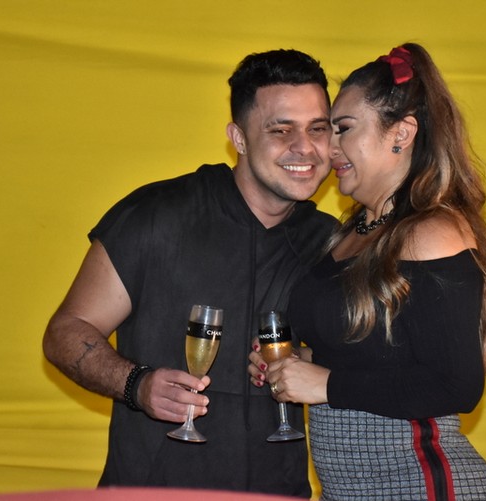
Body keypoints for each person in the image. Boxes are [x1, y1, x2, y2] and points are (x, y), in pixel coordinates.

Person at [43, 49, 338, 497]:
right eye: (281, 130)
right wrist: (137, 384)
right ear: (238, 138)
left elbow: (360, 368)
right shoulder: (157, 215)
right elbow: (65, 332)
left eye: (317, 128)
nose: (305, 147)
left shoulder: (332, 243)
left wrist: (307, 362)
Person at [249, 43, 486, 500]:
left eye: (344, 129)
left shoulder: (432, 233)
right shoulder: (353, 231)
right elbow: (377, 355)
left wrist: (326, 384)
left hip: (419, 487)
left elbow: (456, 385)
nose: (328, 147)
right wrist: (297, 363)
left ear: (402, 133)